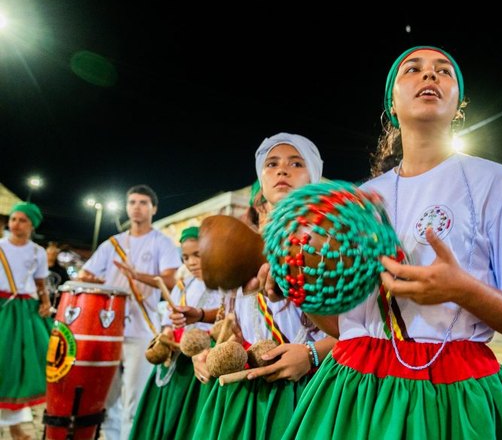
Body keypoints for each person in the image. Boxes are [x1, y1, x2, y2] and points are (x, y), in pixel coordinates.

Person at [282, 46, 502, 438]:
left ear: (459, 103)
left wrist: (463, 290)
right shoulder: (361, 199)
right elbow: (345, 326)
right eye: (413, 69)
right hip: (356, 389)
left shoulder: (496, 183)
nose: (430, 75)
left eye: (444, 71)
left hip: (453, 391)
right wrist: (304, 282)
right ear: (392, 100)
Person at [192, 132, 337, 439]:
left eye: (296, 163)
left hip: (309, 388)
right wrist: (212, 351)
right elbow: (231, 321)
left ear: (314, 177)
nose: (282, 170)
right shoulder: (242, 247)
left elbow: (368, 331)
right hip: (246, 393)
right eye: (272, 164)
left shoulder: (331, 243)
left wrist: (311, 354)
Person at [78, 184, 182, 440]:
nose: (137, 207)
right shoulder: (112, 243)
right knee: (107, 396)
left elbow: (170, 281)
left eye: (143, 202)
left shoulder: (162, 243)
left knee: (134, 397)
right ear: (126, 207)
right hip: (108, 329)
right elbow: (85, 275)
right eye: (132, 202)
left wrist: (136, 275)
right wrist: (104, 284)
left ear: (154, 208)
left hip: (142, 329)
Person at [128, 226, 221, 440]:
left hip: (200, 362)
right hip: (175, 360)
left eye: (198, 254)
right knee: (164, 410)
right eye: (186, 257)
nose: (192, 262)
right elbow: (167, 321)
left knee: (187, 417)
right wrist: (168, 333)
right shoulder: (182, 285)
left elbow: (225, 319)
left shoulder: (222, 286)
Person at [0, 202, 52, 440]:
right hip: (2, 308)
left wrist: (45, 302)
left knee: (21, 366)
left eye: (22, 220)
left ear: (32, 225)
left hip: (24, 311)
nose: (15, 224)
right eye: (13, 219)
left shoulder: (37, 252)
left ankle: (14, 427)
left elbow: (41, 283)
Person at [45, 241, 71, 308]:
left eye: (54, 254)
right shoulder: (39, 268)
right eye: (49, 253)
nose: (51, 255)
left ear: (56, 255)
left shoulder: (61, 271)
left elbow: (67, 285)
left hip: (55, 304)